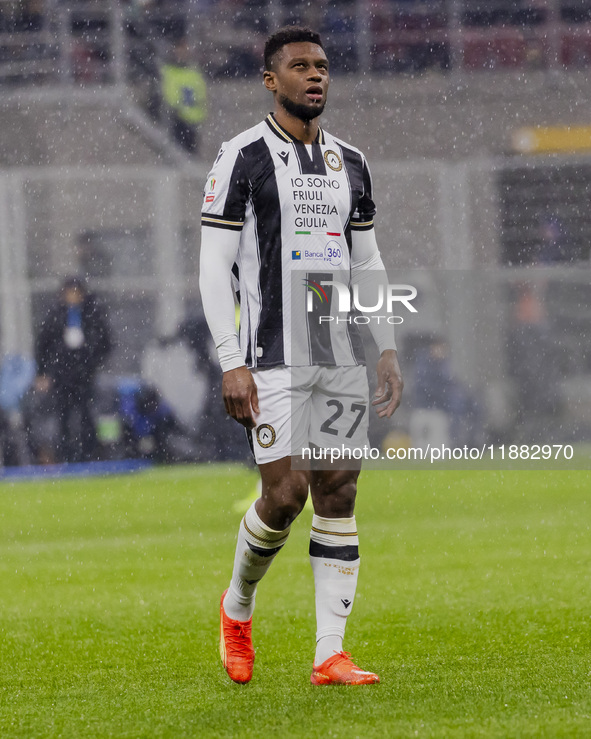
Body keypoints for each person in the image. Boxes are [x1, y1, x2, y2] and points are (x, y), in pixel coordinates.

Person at [199, 26, 403, 686]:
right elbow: (212, 268)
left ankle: (328, 652)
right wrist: (230, 358)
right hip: (270, 354)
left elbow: (366, 259)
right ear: (270, 80)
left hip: (337, 347)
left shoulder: (352, 161)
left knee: (338, 487)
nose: (314, 76)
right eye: (299, 67)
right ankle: (237, 606)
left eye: (321, 66)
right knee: (284, 494)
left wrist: (386, 343)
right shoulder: (242, 156)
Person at [35, 276, 112, 463]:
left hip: (85, 375)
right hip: (61, 375)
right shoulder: (55, 315)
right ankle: (66, 456)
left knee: (87, 415)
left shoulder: (92, 314)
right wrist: (43, 372)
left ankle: (89, 455)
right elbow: (42, 345)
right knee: (63, 416)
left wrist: (90, 361)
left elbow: (105, 342)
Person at [160, 39, 207, 154]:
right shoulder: (167, 71)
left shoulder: (194, 73)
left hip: (191, 121)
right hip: (175, 118)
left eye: (184, 52)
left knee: (189, 152)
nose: (181, 55)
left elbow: (201, 96)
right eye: (179, 52)